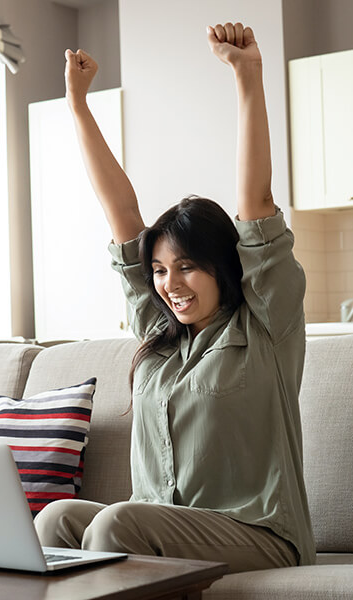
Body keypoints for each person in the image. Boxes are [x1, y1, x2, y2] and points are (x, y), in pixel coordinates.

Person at [33, 23, 315, 573]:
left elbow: (257, 202)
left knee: (119, 521)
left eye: (187, 266)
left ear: (222, 267)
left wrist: (248, 75)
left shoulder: (265, 327)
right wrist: (77, 105)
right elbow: (121, 215)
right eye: (160, 270)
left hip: (258, 534)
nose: (170, 284)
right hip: (163, 529)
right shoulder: (159, 337)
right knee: (55, 520)